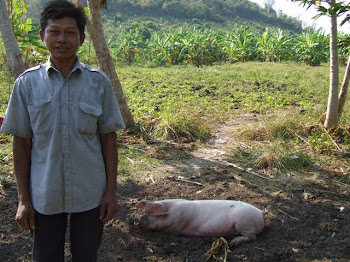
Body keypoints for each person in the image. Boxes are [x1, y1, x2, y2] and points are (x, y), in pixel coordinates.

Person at [1, 0, 125, 261]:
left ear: (81, 38)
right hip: (44, 193)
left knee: (85, 255)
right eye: (54, 31)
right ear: (42, 36)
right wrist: (23, 199)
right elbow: (21, 143)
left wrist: (111, 193)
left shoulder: (98, 83)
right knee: (45, 256)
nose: (61, 39)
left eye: (70, 33)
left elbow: (108, 139)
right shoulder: (27, 84)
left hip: (90, 193)